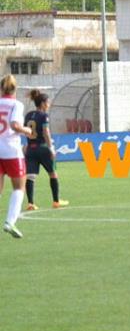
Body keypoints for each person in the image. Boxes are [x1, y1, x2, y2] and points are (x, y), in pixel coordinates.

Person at [23, 89, 68, 211]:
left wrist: (27, 144)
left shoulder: (28, 115)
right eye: (48, 102)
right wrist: (51, 148)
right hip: (42, 148)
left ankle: (30, 203)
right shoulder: (44, 116)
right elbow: (46, 132)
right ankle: (56, 201)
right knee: (52, 173)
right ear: (42, 103)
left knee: (30, 176)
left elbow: (25, 131)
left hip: (31, 149)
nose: (49, 104)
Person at [0, 75, 31, 238]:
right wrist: (27, 131)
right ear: (15, 89)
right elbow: (14, 125)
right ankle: (10, 222)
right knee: (19, 188)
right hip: (11, 151)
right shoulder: (16, 105)